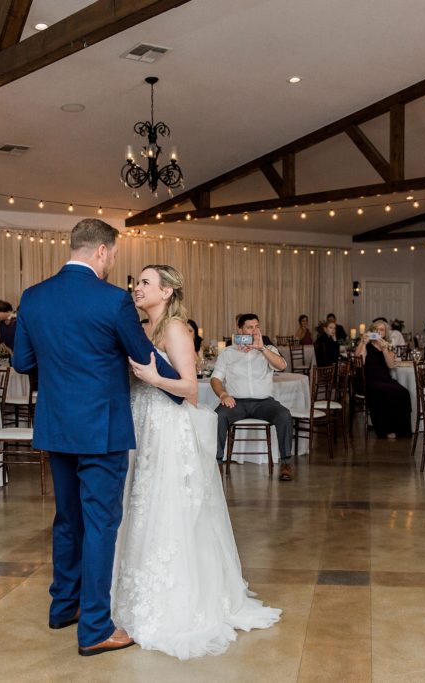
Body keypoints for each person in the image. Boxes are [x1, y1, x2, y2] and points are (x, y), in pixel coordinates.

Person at [11, 218, 182, 657]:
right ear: (102, 251)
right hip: (102, 428)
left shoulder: (33, 296)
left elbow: (22, 362)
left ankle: (62, 607)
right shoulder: (112, 299)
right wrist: (183, 389)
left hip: (56, 425)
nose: (112, 263)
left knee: (68, 519)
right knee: (101, 524)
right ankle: (94, 629)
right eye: (114, 255)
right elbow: (141, 356)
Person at [112, 265, 280, 659]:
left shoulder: (175, 329)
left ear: (167, 291)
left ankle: (178, 600)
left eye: (146, 283)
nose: (138, 288)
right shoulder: (143, 329)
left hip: (169, 429)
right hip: (143, 425)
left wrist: (153, 378)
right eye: (138, 282)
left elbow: (189, 388)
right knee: (141, 507)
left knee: (168, 508)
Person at [210, 313, 294, 480]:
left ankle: (286, 463)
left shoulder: (268, 349)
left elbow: (282, 366)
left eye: (257, 327)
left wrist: (262, 349)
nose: (255, 331)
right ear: (240, 330)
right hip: (236, 403)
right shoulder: (228, 352)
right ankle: (217, 463)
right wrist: (223, 394)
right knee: (219, 416)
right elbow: (215, 379)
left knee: (284, 415)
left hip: (264, 403)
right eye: (250, 327)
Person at [356, 318, 411, 439]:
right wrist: (363, 343)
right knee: (385, 392)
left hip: (385, 378)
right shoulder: (366, 344)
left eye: (382, 330)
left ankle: (401, 430)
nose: (379, 332)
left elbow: (391, 365)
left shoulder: (387, 345)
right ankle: (385, 430)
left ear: (385, 333)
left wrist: (384, 348)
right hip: (371, 379)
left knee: (403, 392)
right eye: (376, 329)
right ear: (372, 331)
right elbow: (360, 363)